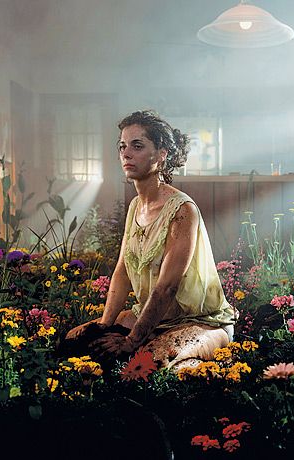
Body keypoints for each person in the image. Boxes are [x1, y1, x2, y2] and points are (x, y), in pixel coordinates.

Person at [66, 110, 235, 369]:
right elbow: (122, 272)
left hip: (199, 320)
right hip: (154, 318)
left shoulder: (182, 210)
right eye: (122, 146)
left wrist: (132, 341)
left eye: (137, 145)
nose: (126, 153)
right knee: (74, 341)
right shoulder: (136, 206)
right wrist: (104, 326)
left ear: (161, 154)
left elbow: (167, 287)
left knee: (154, 364)